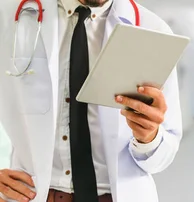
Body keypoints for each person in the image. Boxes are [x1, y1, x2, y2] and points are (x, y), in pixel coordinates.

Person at [0, 0, 182, 201]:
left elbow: (164, 153)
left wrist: (149, 138)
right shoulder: (10, 15)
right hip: (34, 194)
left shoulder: (152, 30)